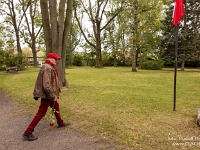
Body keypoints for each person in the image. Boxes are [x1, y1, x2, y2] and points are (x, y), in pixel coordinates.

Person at [23, 52, 70, 141]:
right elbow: (46, 84)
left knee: (56, 106)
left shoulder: (50, 67)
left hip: (49, 94)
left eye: (57, 59)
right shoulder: (47, 67)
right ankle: (28, 132)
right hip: (47, 94)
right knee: (41, 112)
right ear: (50, 59)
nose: (56, 61)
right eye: (55, 59)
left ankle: (60, 122)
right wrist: (52, 95)